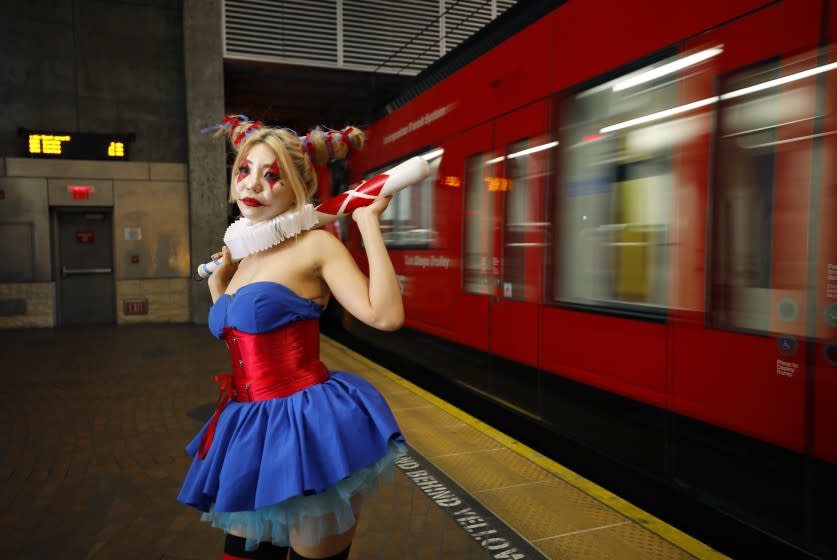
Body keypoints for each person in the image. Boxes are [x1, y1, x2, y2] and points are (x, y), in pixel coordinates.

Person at [177, 116, 406, 560]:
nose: (253, 184)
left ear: (297, 186)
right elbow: (242, 332)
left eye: (272, 174)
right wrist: (219, 284)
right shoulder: (244, 254)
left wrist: (368, 223)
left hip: (306, 426)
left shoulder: (316, 246)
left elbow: (385, 316)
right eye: (244, 170)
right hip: (246, 427)